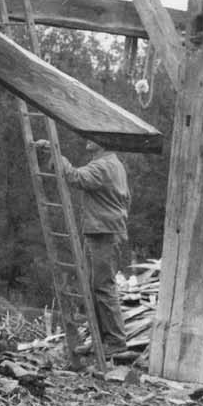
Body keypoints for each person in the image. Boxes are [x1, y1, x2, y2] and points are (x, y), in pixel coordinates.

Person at [59, 138, 133, 361]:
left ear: (102, 143)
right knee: (94, 287)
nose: (87, 140)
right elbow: (126, 199)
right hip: (103, 230)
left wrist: (56, 154)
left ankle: (115, 342)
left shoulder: (104, 165)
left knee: (102, 288)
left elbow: (75, 177)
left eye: (92, 137)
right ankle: (100, 340)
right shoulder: (112, 163)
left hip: (104, 232)